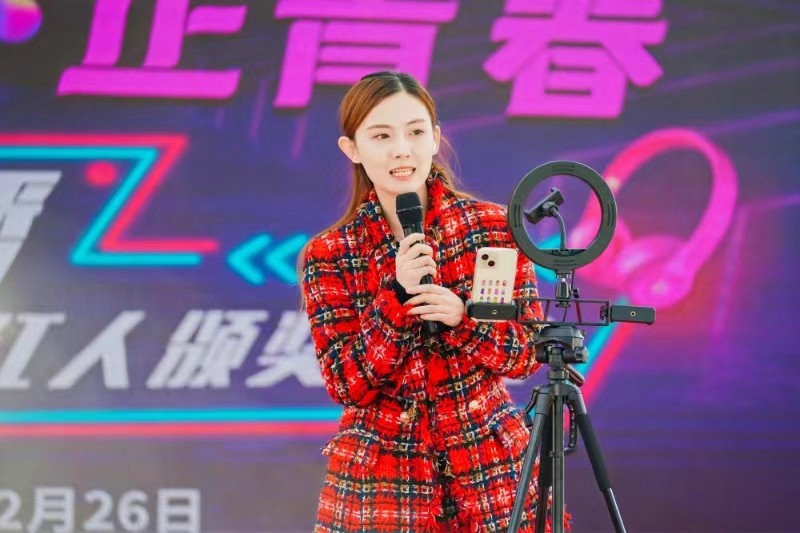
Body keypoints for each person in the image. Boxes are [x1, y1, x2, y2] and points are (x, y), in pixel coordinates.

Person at [301, 71, 548, 532]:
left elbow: (526, 353)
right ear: (352, 149)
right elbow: (345, 383)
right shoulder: (330, 253)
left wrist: (463, 319)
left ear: (434, 139)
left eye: (415, 132)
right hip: (382, 483)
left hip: (489, 469)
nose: (402, 150)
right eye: (382, 136)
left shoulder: (492, 228)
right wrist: (395, 298)